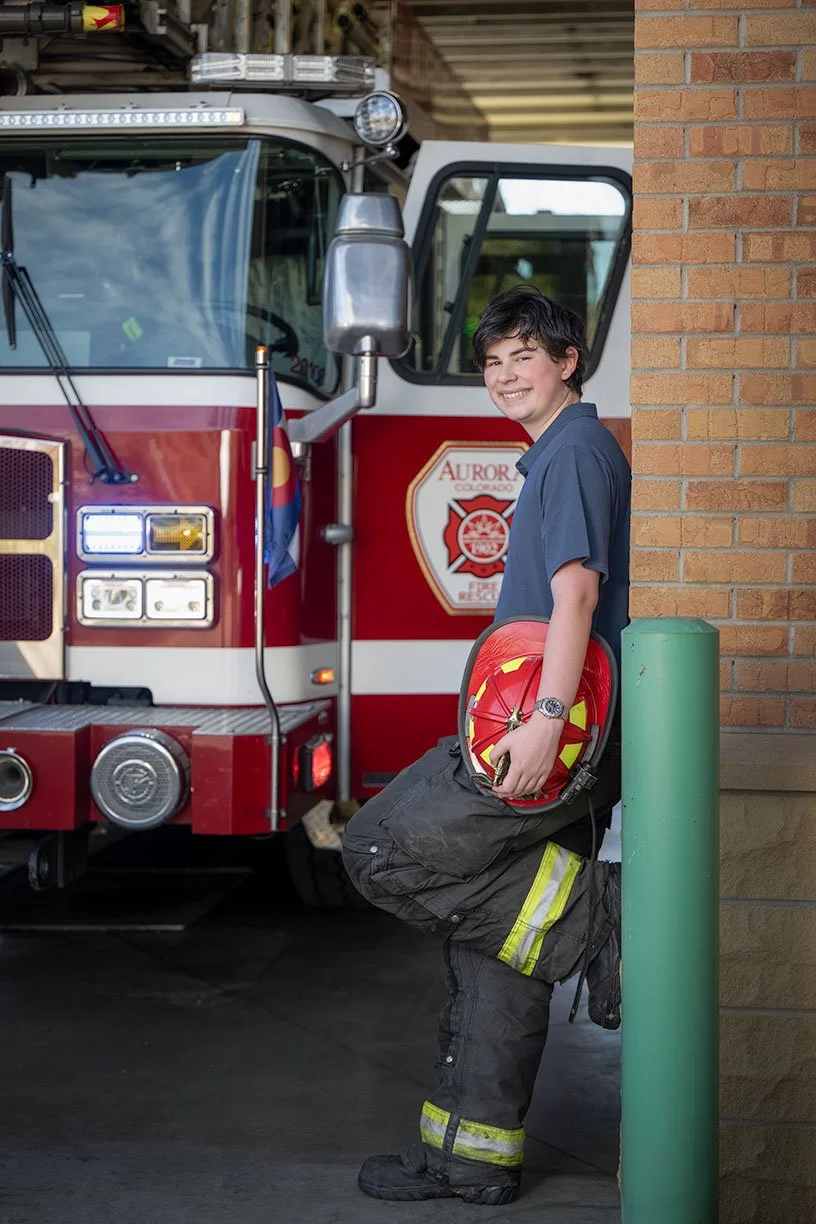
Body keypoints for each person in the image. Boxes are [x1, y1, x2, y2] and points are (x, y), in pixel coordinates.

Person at [342, 286, 631, 1206]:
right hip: (541, 730)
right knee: (502, 951)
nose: (505, 376)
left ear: (567, 362)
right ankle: (471, 1159)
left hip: (545, 737)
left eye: (523, 357)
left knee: (379, 848)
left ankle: (604, 922)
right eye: (494, 361)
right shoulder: (559, 451)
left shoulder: (576, 451)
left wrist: (546, 720)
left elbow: (575, 596)